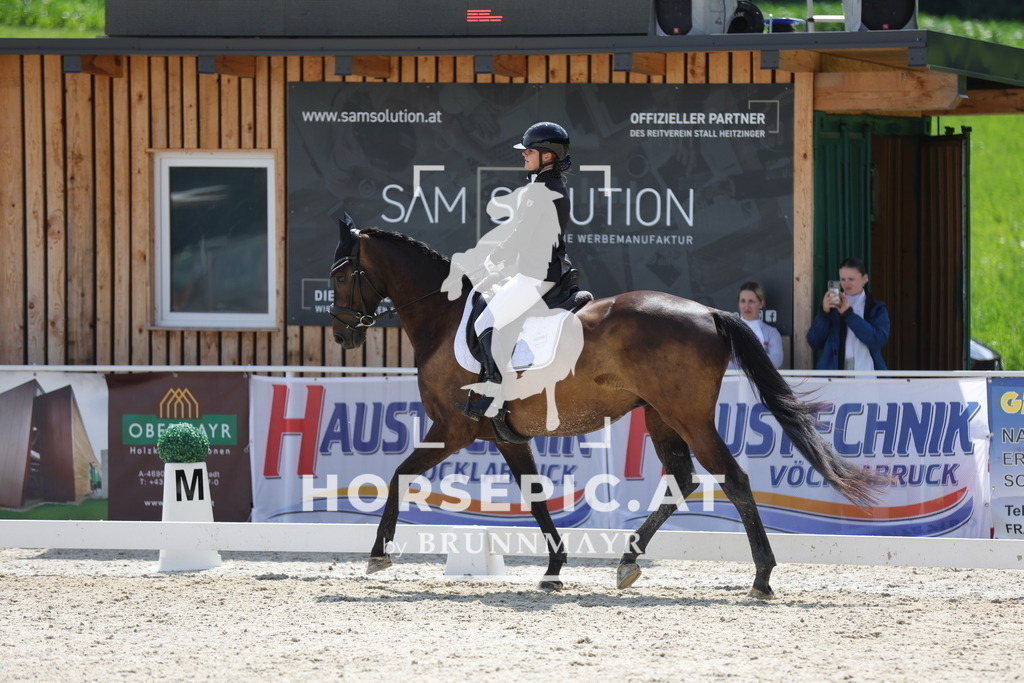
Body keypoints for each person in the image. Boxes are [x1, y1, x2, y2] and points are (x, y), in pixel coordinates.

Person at [441, 121, 574, 420]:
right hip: (535, 268)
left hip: (538, 273)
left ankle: (495, 393)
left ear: (548, 155)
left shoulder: (543, 190)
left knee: (487, 320)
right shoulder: (543, 186)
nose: (523, 156)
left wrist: (493, 261)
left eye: (529, 151)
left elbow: (522, 237)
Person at [806, 257, 890, 370]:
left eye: (851, 279)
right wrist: (824, 313)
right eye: (842, 279)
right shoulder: (832, 305)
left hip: (866, 371)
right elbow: (814, 342)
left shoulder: (876, 307)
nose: (846, 284)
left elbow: (878, 341)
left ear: (865, 278)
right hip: (834, 373)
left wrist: (849, 315)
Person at [728, 281, 783, 369]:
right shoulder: (729, 331)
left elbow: (776, 361)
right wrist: (759, 357)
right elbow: (724, 363)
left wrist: (740, 358)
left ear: (761, 303)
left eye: (751, 301)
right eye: (743, 301)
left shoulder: (771, 333)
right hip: (733, 382)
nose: (746, 306)